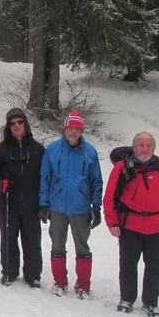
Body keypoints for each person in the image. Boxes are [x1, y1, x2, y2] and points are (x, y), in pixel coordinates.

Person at [103, 131, 159, 317]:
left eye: (148, 145)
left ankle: (150, 302)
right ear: (134, 148)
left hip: (157, 227)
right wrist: (112, 222)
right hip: (130, 225)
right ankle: (127, 299)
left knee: (154, 267)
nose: (144, 149)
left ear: (154, 148)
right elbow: (110, 196)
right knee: (127, 265)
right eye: (141, 145)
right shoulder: (122, 168)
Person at [37, 111, 103, 298]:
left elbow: (96, 181)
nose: (73, 132)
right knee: (57, 244)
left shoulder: (89, 152)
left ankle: (83, 285)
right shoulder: (53, 149)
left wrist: (96, 206)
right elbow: (45, 177)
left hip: (80, 207)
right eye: (70, 128)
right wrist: (43, 203)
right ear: (64, 128)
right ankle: (60, 282)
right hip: (57, 206)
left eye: (77, 129)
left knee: (82, 246)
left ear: (81, 130)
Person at [0, 108, 45, 287]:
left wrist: (45, 202)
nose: (17, 126)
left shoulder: (38, 149)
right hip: (8, 204)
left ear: (25, 124)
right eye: (13, 123)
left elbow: (47, 176)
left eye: (20, 122)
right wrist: (0, 182)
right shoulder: (1, 149)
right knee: (8, 240)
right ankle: (9, 272)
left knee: (32, 241)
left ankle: (33, 274)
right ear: (8, 127)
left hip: (31, 204)